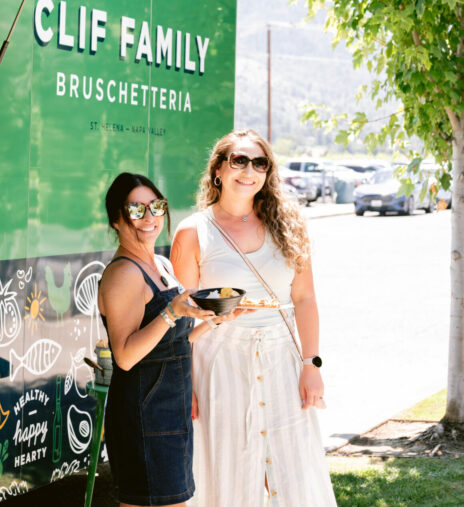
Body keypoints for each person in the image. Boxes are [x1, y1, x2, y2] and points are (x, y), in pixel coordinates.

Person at [171, 129, 337, 506]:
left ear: (268, 172)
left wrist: (312, 365)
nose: (249, 171)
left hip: (282, 358)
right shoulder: (193, 232)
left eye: (259, 163)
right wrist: (187, 383)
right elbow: (181, 319)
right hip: (219, 361)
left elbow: (306, 298)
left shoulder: (290, 225)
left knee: (293, 466)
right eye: (239, 161)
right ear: (218, 170)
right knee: (227, 466)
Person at [98, 172, 234, 507]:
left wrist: (218, 319)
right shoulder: (123, 275)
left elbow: (176, 342)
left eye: (156, 206)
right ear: (116, 219)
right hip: (143, 412)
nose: (149, 218)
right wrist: (171, 313)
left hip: (168, 409)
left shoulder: (159, 263)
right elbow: (126, 357)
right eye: (135, 210)